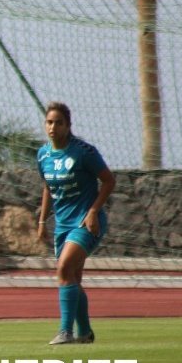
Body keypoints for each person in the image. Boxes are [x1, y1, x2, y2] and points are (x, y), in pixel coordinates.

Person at [36, 102, 116, 345]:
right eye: (50, 122)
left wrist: (93, 211)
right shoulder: (43, 154)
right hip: (62, 225)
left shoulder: (84, 152)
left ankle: (65, 331)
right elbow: (48, 187)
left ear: (68, 125)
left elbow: (109, 181)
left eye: (59, 122)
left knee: (63, 270)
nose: (53, 127)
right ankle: (85, 333)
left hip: (86, 223)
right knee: (72, 277)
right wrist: (42, 221)